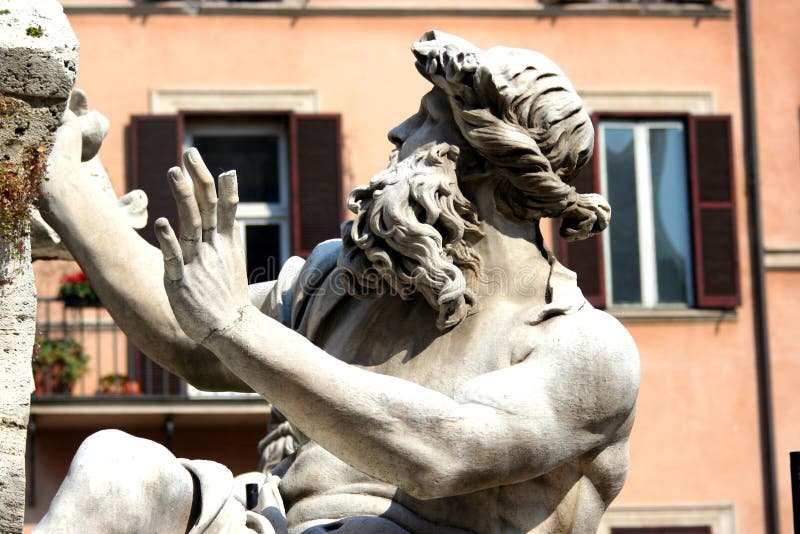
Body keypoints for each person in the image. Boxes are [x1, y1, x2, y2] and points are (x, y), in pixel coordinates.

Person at [36, 31, 639, 534]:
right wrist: (65, 185)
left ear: (481, 157)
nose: (398, 133)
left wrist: (238, 326)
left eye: (428, 119)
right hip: (274, 521)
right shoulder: (351, 278)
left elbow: (439, 455)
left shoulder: (583, 350)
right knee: (116, 469)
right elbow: (189, 330)